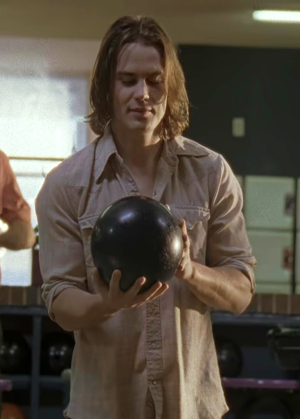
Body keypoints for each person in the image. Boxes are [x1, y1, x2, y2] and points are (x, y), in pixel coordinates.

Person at [36, 15, 257, 419]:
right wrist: (105, 304)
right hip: (104, 407)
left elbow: (241, 290)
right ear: (107, 86)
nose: (143, 94)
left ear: (169, 87)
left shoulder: (211, 173)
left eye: (155, 80)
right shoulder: (65, 185)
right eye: (128, 80)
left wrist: (191, 271)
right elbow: (59, 299)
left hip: (193, 407)